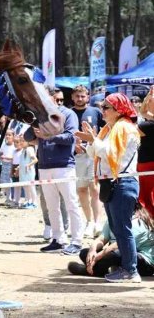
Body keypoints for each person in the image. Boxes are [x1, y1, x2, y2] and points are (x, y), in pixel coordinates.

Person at [76, 92, 143, 282]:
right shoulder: (110, 129)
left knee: (122, 229)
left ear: (118, 110)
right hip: (112, 183)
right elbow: (95, 156)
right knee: (117, 228)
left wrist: (93, 139)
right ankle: (127, 268)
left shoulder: (125, 128)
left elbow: (110, 154)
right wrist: (91, 141)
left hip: (123, 183)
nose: (102, 111)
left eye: (106, 107)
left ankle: (131, 270)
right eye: (102, 107)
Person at [28, 89, 82, 255]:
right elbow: (27, 137)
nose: (57, 103)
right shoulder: (41, 115)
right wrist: (33, 123)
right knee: (52, 206)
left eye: (60, 100)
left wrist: (48, 136)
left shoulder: (69, 114)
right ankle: (58, 239)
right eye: (54, 100)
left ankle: (77, 241)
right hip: (44, 166)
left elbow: (71, 137)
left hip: (64, 165)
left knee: (72, 204)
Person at [67, 202, 153, 280]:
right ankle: (98, 270)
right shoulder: (113, 218)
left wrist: (97, 257)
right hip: (114, 253)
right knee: (84, 252)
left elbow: (121, 244)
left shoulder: (138, 223)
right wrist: (92, 249)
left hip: (143, 263)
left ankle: (92, 270)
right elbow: (102, 239)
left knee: (115, 254)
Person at [71, 84, 105, 236]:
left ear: (88, 97)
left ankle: (98, 223)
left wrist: (96, 140)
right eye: (77, 96)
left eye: (83, 96)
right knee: (81, 189)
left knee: (95, 189)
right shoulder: (68, 113)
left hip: (93, 154)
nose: (80, 99)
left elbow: (106, 130)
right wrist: (73, 146)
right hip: (76, 156)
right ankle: (89, 221)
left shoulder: (96, 112)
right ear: (72, 97)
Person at [137, 86, 154, 217]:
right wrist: (148, 96)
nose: (147, 103)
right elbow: (142, 112)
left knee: (145, 197)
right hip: (146, 164)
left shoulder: (147, 126)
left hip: (147, 164)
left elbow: (128, 131)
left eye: (150, 101)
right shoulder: (149, 122)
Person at [15, 134, 38, 208]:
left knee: (31, 187)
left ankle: (34, 202)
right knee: (25, 187)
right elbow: (22, 161)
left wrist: (28, 165)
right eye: (20, 141)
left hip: (29, 172)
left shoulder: (29, 149)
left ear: (28, 142)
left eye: (23, 141)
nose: (21, 142)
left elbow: (35, 160)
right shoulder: (23, 150)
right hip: (23, 172)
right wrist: (19, 167)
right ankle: (28, 201)